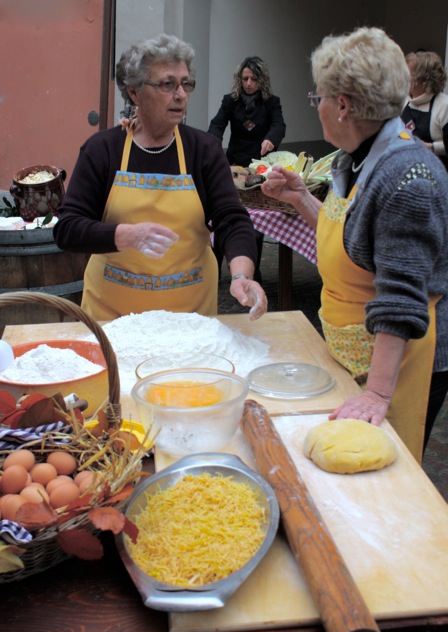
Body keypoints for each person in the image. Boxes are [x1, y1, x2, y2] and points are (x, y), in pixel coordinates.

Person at [263, 26, 448, 466]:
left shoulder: (408, 177)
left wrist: (378, 394)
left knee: (388, 474)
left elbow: (401, 295)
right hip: (356, 346)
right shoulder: (357, 156)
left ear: (343, 106)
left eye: (319, 97)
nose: (318, 106)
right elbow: (351, 237)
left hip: (404, 359)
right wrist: (301, 198)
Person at [53, 34, 267, 323]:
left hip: (190, 318)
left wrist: (241, 274)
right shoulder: (103, 149)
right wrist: (126, 235)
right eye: (168, 84)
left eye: (186, 83)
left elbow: (232, 220)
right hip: (113, 319)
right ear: (134, 92)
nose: (181, 94)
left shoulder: (203, 150)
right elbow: (68, 229)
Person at [207, 56, 286, 280]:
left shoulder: (271, 102)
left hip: (260, 167)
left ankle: (253, 270)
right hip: (234, 164)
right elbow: (217, 124)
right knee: (224, 214)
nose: (248, 83)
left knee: (254, 223)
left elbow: (279, 124)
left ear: (262, 80)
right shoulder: (230, 101)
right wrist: (212, 145)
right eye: (245, 78)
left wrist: (271, 138)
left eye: (253, 79)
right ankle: (215, 267)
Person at [402, 50, 448, 170]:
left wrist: (431, 147)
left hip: (437, 173)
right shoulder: (404, 102)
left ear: (422, 79)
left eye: (408, 74)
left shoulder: (444, 105)